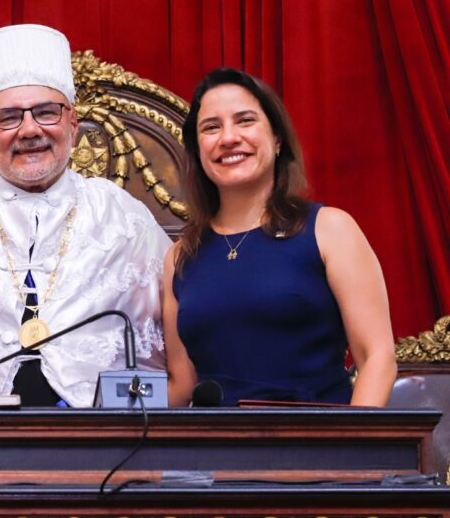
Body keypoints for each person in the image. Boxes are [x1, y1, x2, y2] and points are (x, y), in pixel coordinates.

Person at [0, 24, 171, 406]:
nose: (30, 130)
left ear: (72, 125)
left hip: (105, 440)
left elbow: (177, 340)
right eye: (8, 117)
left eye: (46, 112)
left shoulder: (124, 218)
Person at [162, 68, 396, 407]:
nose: (228, 138)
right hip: (212, 450)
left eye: (245, 121)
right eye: (211, 127)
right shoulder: (181, 255)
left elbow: (377, 357)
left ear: (277, 138)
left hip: (315, 445)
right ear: (198, 150)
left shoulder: (329, 228)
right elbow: (182, 387)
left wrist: (350, 452)